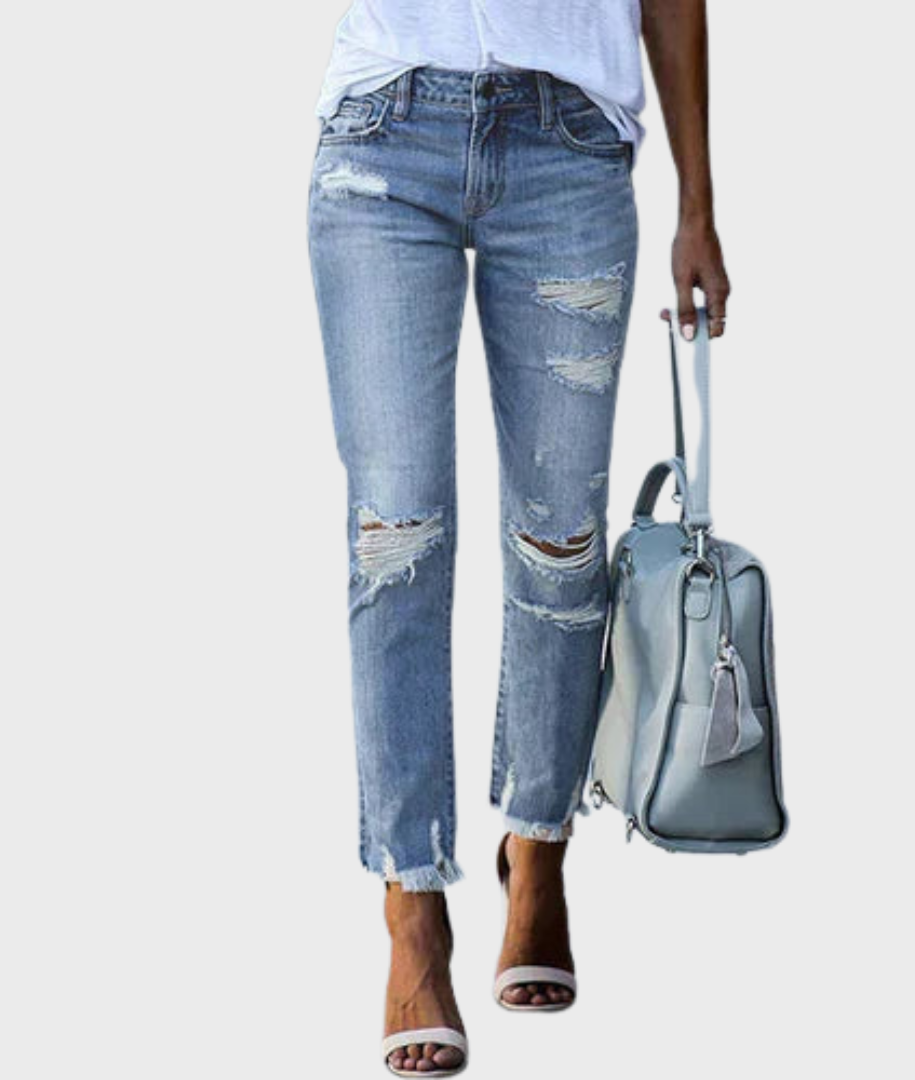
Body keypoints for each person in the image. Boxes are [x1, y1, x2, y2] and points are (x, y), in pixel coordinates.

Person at [307, 1, 730, 1074]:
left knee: (561, 543)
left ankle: (537, 848)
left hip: (568, 147)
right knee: (395, 539)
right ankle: (411, 904)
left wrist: (697, 204)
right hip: (385, 129)